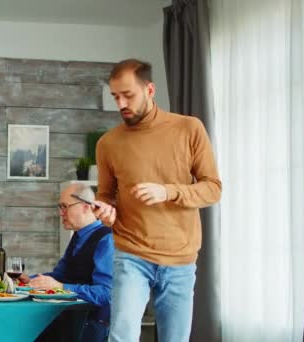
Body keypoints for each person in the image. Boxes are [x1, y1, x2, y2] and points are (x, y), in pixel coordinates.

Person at [93, 59, 222, 342]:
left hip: (180, 256)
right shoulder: (108, 143)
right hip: (131, 253)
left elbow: (213, 189)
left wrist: (168, 191)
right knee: (121, 335)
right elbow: (106, 195)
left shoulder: (189, 129)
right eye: (116, 96)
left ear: (149, 90)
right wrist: (106, 210)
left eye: (129, 95)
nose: (121, 103)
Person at [21, 183, 114, 342]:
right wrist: (31, 280)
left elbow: (106, 293)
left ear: (86, 206)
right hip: (70, 320)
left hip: (92, 327)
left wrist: (61, 287)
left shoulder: (107, 240)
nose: (60, 213)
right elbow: (60, 276)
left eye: (65, 207)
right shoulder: (78, 236)